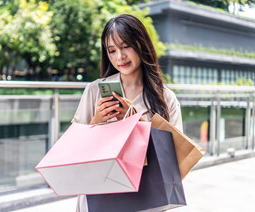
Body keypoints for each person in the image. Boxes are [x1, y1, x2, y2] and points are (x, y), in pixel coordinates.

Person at [72, 14, 183, 212]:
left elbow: (176, 162)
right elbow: (73, 149)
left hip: (148, 200)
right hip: (100, 196)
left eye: (125, 47)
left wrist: (136, 123)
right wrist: (96, 121)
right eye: (112, 50)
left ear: (142, 45)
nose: (120, 57)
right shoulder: (95, 90)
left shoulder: (166, 98)